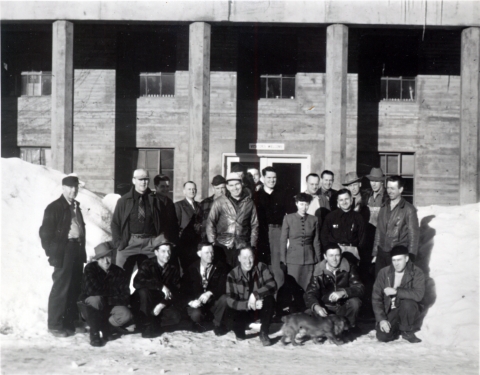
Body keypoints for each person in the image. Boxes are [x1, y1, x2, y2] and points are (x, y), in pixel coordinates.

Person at [39, 175, 86, 337]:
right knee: (61, 286)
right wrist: (54, 252)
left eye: (76, 187)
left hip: (77, 248)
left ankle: (69, 322)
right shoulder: (55, 207)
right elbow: (45, 233)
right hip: (65, 250)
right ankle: (55, 325)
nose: (74, 190)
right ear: (63, 188)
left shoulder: (75, 206)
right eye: (70, 187)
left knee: (74, 286)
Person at [111, 169, 168, 281]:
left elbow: (163, 222)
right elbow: (115, 223)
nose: (143, 182)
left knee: (152, 277)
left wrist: (158, 240)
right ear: (134, 180)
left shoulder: (155, 200)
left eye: (146, 179)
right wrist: (119, 243)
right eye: (140, 179)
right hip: (129, 242)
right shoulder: (124, 200)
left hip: (150, 244)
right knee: (120, 277)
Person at [77, 242, 133, 347]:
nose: (106, 261)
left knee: (126, 314)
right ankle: (94, 334)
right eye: (102, 258)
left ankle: (105, 327)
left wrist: (106, 299)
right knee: (96, 299)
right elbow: (92, 290)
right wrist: (113, 293)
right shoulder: (90, 269)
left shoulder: (118, 272)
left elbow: (125, 295)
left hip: (109, 305)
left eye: (108, 257)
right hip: (91, 306)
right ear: (97, 259)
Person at [304, 244, 364, 333]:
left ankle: (349, 327)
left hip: (343, 307)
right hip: (326, 308)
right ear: (325, 256)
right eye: (331, 255)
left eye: (337, 255)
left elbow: (360, 288)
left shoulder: (349, 267)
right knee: (308, 313)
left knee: (355, 302)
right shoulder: (318, 270)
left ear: (341, 255)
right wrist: (317, 307)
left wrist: (343, 292)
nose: (334, 259)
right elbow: (310, 293)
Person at [131, 235, 182, 338]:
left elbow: (176, 290)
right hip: (144, 302)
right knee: (143, 291)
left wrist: (162, 304)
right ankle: (146, 325)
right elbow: (137, 282)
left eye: (169, 251)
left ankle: (154, 322)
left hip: (159, 304)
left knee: (176, 317)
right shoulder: (147, 264)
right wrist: (160, 286)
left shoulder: (173, 268)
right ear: (156, 252)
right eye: (163, 251)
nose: (167, 255)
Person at [372, 245, 425, 343]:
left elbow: (418, 294)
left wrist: (397, 292)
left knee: (408, 303)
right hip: (391, 310)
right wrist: (382, 320)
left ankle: (406, 330)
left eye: (399, 260)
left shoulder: (417, 272)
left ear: (407, 258)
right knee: (383, 337)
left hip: (407, 309)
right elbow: (376, 298)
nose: (396, 264)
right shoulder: (384, 273)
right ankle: (396, 327)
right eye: (394, 260)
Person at [225, 247, 277, 346]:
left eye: (250, 257)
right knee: (239, 333)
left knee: (269, 299)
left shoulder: (262, 267)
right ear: (239, 258)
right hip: (243, 310)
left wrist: (255, 294)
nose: (248, 261)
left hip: (259, 308)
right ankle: (242, 329)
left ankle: (264, 332)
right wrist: (248, 305)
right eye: (244, 258)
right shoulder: (232, 275)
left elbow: (273, 285)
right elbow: (230, 300)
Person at [206, 173, 259, 268]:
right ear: (227, 187)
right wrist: (213, 242)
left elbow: (254, 225)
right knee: (223, 273)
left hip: (242, 245)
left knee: (240, 274)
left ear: (242, 184)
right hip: (222, 246)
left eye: (237, 184)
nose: (234, 188)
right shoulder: (219, 202)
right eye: (231, 185)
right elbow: (210, 222)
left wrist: (252, 245)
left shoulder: (249, 203)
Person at [372, 175, 420, 277]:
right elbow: (378, 231)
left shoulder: (409, 209)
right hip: (381, 255)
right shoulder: (384, 206)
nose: (389, 191)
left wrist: (410, 259)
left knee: (395, 287)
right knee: (380, 285)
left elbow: (413, 236)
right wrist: (375, 253)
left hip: (398, 255)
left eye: (393, 188)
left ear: (401, 189)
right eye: (388, 188)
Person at [254, 166, 290, 289]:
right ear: (263, 178)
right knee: (262, 264)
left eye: (274, 177)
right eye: (269, 177)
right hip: (261, 232)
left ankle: (279, 297)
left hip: (277, 232)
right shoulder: (256, 196)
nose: (272, 180)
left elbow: (289, 215)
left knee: (277, 265)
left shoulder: (283, 194)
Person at [182, 243, 229, 335]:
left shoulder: (221, 267)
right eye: (207, 253)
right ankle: (203, 323)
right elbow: (183, 290)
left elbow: (223, 286)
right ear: (199, 254)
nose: (210, 255)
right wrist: (191, 302)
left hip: (213, 303)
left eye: (212, 252)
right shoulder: (192, 268)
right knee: (196, 315)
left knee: (225, 299)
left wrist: (210, 293)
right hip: (198, 304)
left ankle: (217, 324)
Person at [279, 193, 321, 292]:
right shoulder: (288, 218)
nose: (304, 207)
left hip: (310, 259)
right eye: (301, 204)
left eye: (306, 204)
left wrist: (319, 260)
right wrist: (283, 259)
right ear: (296, 204)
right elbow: (283, 240)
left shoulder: (314, 219)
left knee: (308, 287)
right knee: (293, 287)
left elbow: (316, 241)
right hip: (293, 259)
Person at [321, 188, 366, 265]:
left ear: (351, 200)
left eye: (346, 199)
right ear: (338, 202)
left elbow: (362, 238)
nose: (344, 202)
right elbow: (324, 237)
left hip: (352, 252)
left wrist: (357, 250)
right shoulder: (331, 217)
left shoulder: (358, 217)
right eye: (341, 200)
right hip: (335, 253)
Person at [175, 181, 202, 270]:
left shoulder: (200, 205)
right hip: (185, 244)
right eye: (189, 189)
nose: (192, 191)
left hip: (198, 243)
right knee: (187, 269)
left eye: (194, 189)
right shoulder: (179, 205)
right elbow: (176, 225)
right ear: (184, 191)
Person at [199, 175, 227, 241]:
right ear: (213, 189)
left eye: (223, 188)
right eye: (217, 188)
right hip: (207, 240)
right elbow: (198, 222)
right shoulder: (204, 203)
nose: (221, 191)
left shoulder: (231, 203)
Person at [153, 174, 179, 244]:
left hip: (169, 240)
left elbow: (174, 223)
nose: (165, 189)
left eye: (167, 186)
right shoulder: (151, 202)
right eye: (162, 186)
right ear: (156, 187)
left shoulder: (170, 202)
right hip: (155, 240)